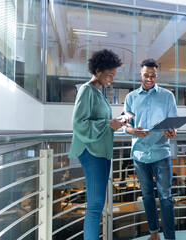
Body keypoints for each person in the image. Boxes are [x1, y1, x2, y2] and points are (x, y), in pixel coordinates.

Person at [68, 49, 131, 240]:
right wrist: (108, 123)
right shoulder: (86, 90)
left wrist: (116, 122)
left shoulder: (98, 93)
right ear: (97, 70)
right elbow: (79, 123)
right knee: (95, 207)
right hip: (91, 152)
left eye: (114, 75)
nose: (112, 79)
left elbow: (101, 122)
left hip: (101, 152)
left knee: (98, 204)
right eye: (110, 74)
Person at [123, 59, 178, 240]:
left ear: (157, 75)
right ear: (140, 74)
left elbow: (174, 122)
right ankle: (154, 233)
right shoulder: (131, 98)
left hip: (161, 152)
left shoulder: (167, 96)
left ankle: (170, 237)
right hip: (140, 153)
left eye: (153, 75)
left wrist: (172, 131)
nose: (149, 78)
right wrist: (134, 131)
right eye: (146, 75)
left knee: (165, 197)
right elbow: (126, 125)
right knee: (147, 196)